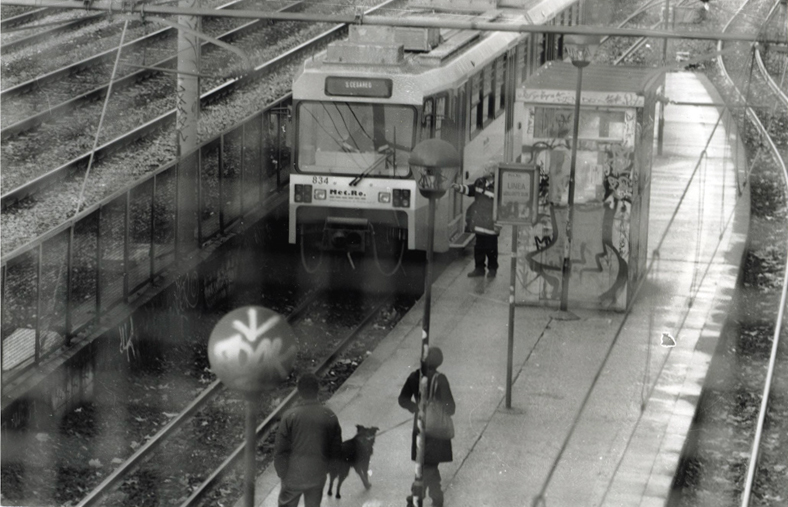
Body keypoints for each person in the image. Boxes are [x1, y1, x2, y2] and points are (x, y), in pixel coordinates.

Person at [398, 347, 456, 507]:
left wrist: (416, 408)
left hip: (419, 427)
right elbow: (451, 408)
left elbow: (402, 399)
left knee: (425, 463)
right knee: (430, 464)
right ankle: (422, 497)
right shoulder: (441, 379)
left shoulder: (413, 377)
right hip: (437, 431)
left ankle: (428, 497)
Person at [274, 373, 342, 507]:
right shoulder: (329, 415)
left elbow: (280, 449)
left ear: (299, 392)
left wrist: (282, 472)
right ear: (318, 390)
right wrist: (327, 469)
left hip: (293, 476)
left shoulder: (290, 416)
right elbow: (336, 449)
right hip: (317, 474)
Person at [453, 167, 500, 278]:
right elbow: (470, 190)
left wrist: (499, 224)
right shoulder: (479, 182)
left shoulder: (498, 187)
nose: (483, 170)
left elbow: (501, 207)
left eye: (486, 169)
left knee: (491, 249)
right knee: (479, 247)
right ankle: (479, 269)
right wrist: (458, 188)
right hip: (479, 223)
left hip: (491, 225)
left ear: (491, 173)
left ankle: (492, 269)